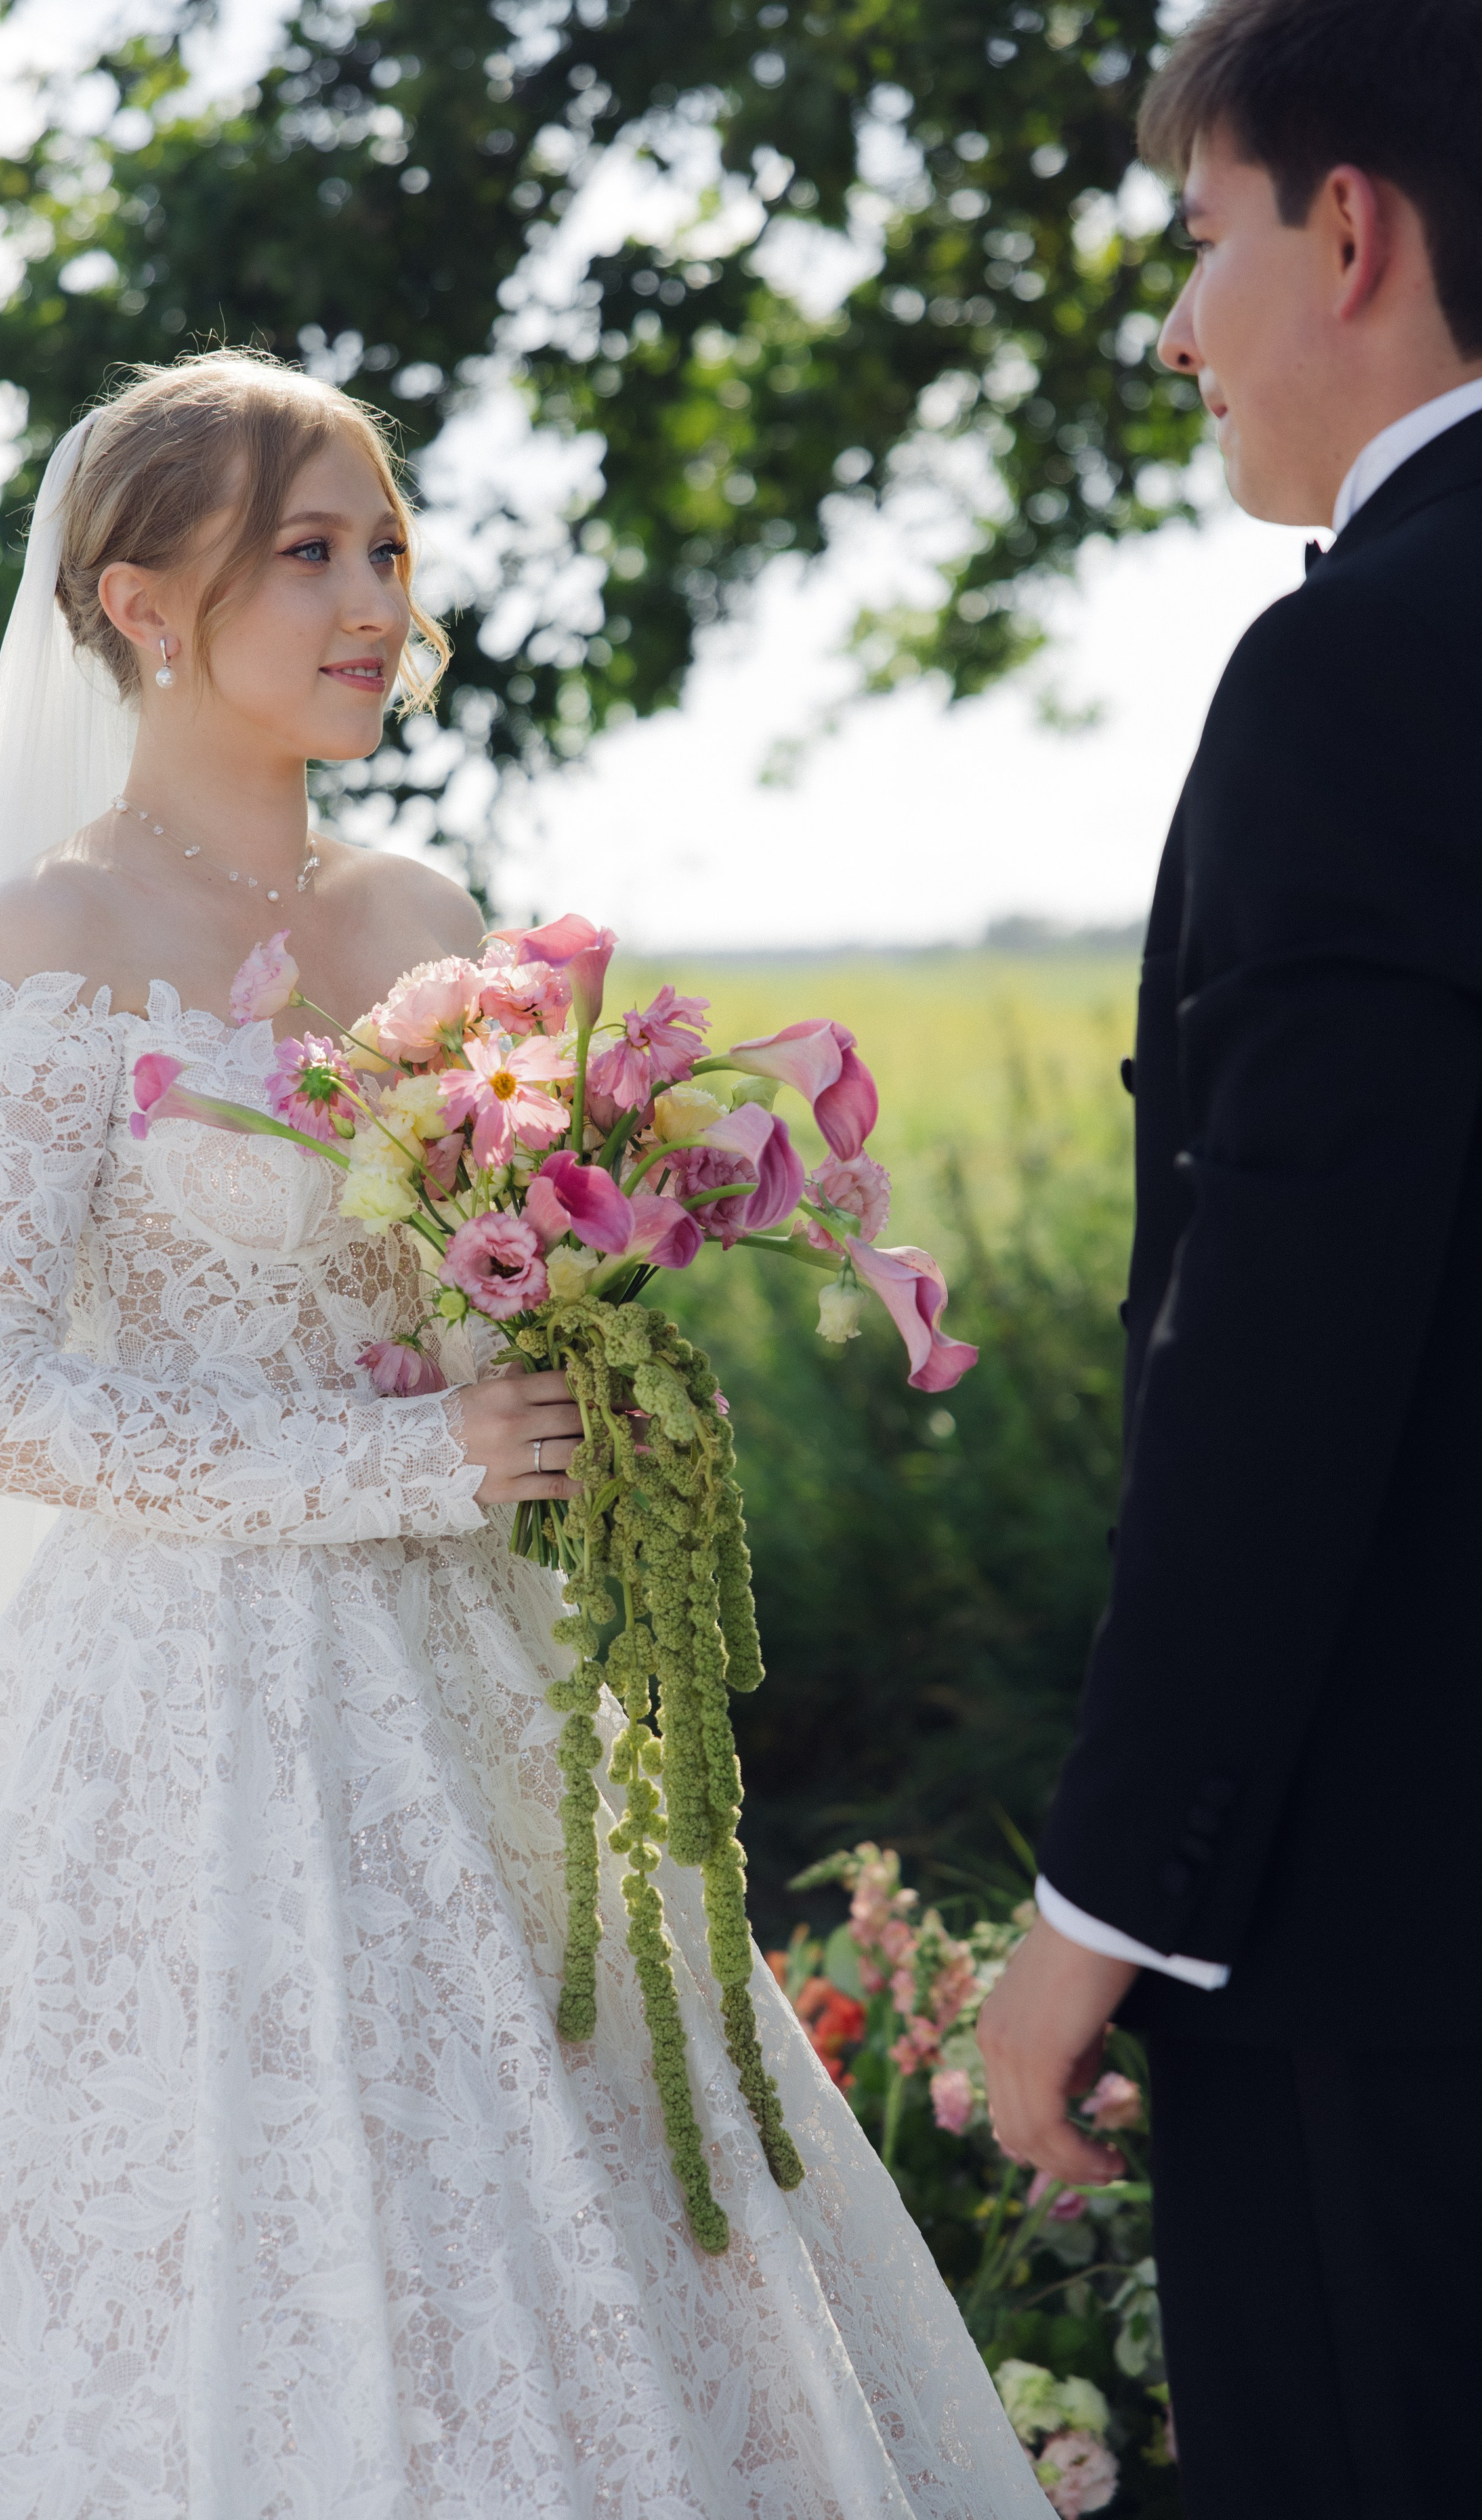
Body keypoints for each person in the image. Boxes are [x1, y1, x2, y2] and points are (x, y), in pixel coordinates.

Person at [0, 350, 1046, 2517]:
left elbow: (499, 1273)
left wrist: (608, 1375)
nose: (378, 598)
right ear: (133, 604)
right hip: (169, 1718)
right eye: (311, 552)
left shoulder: (426, 924)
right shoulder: (46, 942)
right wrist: (410, 1464)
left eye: (389, 547)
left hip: (476, 1673)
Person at [976, 3, 1482, 2515]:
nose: (1173, 328)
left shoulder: (1363, 673)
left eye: (1200, 244)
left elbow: (1285, 1352)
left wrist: (1106, 1896)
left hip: (1400, 1932)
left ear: (1355, 232)